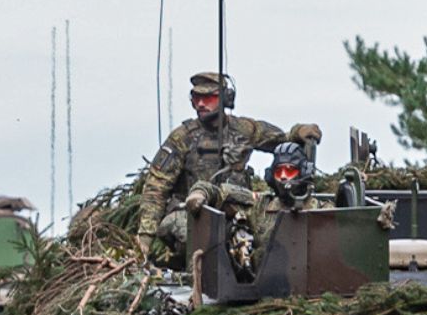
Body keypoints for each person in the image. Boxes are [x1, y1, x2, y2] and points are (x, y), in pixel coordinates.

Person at [137, 72, 322, 245]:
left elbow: (280, 139)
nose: (201, 104)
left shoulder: (243, 129)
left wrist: (300, 131)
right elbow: (156, 188)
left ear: (225, 99)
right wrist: (145, 237)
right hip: (193, 214)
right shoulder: (182, 138)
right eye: (196, 98)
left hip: (238, 212)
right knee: (190, 232)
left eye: (209, 98)